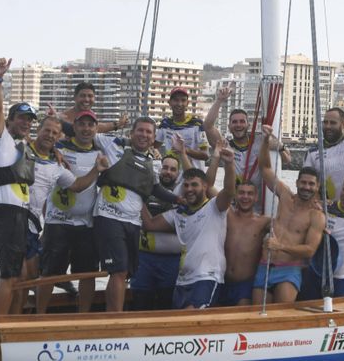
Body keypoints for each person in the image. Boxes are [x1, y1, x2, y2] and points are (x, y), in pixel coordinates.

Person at [0, 57, 105, 315]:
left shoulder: (55, 163)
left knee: (27, 279)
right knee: (11, 277)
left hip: (31, 222)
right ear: (36, 132)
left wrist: (97, 169)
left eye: (55, 132)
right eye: (46, 130)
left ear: (60, 137)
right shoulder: (12, 145)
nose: (50, 135)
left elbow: (78, 186)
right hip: (10, 215)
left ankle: (17, 323)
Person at [91, 117, 180, 312]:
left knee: (123, 273)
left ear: (154, 137)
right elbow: (87, 131)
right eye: (140, 130)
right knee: (119, 270)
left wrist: (178, 200)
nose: (144, 135)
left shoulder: (153, 162)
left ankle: (111, 314)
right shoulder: (115, 146)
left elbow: (156, 189)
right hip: (108, 217)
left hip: (132, 222)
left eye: (149, 132)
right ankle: (115, 320)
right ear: (131, 133)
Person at [140, 147, 238, 309]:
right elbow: (149, 224)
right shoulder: (178, 213)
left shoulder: (215, 207)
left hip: (207, 277)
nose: (189, 189)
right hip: (183, 280)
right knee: (177, 323)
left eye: (194, 185)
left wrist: (229, 164)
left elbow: (229, 191)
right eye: (186, 185)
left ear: (205, 186)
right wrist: (138, 195)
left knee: (191, 315)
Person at [36, 110, 108, 314]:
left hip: (86, 224)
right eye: (82, 124)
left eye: (90, 125)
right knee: (49, 273)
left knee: (87, 274)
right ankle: (39, 315)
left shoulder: (100, 152)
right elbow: (36, 145)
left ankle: (82, 316)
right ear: (73, 127)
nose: (86, 129)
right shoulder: (58, 148)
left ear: (96, 128)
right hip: (57, 222)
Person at [252, 125, 326, 305]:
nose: (306, 187)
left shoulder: (316, 216)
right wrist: (264, 141)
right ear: (297, 182)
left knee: (281, 314)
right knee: (256, 315)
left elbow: (309, 250)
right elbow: (264, 168)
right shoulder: (285, 195)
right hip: (265, 265)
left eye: (311, 184)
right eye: (304, 183)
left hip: (289, 270)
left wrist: (279, 246)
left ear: (317, 187)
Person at [203, 86, 291, 213]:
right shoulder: (225, 146)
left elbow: (287, 159)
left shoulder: (261, 140)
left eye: (242, 121)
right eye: (234, 122)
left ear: (248, 124)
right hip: (234, 208)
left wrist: (279, 146)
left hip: (261, 208)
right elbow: (208, 126)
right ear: (229, 126)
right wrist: (219, 101)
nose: (238, 125)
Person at [129, 154, 184, 311]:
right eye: (165, 168)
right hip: (143, 258)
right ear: (159, 169)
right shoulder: (146, 189)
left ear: (178, 173)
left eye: (173, 169)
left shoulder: (184, 193)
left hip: (171, 261)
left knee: (167, 302)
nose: (168, 172)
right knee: (140, 300)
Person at [219, 178, 270, 306]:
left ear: (256, 197)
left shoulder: (263, 222)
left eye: (250, 193)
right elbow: (208, 187)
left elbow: (288, 225)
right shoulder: (227, 214)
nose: (245, 197)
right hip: (221, 281)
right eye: (241, 192)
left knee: (242, 321)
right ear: (235, 195)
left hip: (245, 285)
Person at [155, 87, 209, 169]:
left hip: (193, 178)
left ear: (187, 103)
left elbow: (205, 155)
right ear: (169, 102)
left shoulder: (197, 124)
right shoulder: (165, 124)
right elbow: (154, 145)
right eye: (176, 100)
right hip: (172, 177)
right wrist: (155, 152)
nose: (179, 104)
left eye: (183, 100)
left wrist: (184, 150)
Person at [58, 82, 128, 138]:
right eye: (83, 96)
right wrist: (117, 125)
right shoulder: (64, 117)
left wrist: (118, 124)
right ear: (75, 98)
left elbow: (98, 128)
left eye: (90, 96)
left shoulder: (92, 114)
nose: (87, 99)